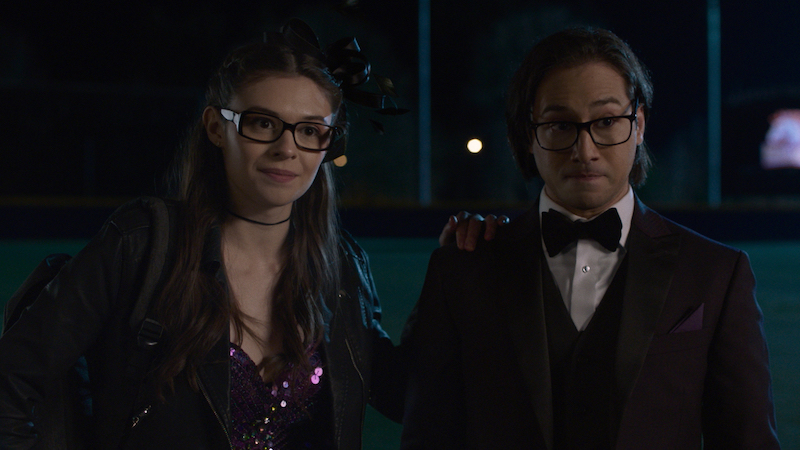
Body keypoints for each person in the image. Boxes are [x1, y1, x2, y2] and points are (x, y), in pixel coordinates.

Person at [0, 19, 492, 450]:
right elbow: (12, 381)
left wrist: (451, 273)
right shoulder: (143, 242)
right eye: (262, 123)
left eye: (310, 130)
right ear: (216, 127)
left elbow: (407, 395)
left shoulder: (341, 266)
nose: (286, 148)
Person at [401, 27, 780, 449]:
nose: (584, 150)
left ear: (638, 125)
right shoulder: (462, 267)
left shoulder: (715, 273)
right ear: (528, 135)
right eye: (560, 125)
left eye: (606, 121)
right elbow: (426, 433)